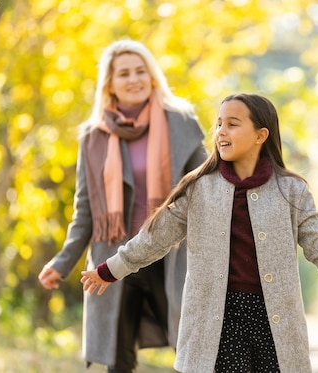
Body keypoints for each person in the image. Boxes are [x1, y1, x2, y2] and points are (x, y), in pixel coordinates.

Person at [80, 93, 318, 373]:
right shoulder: (199, 188)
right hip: (216, 324)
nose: (221, 132)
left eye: (233, 124)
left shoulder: (291, 191)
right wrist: (110, 270)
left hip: (275, 323)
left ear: (260, 135)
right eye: (219, 124)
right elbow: (154, 237)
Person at [37, 39, 207, 372]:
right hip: (112, 262)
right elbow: (84, 211)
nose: (134, 79)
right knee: (118, 360)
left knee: (193, 350)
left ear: (153, 76)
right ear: (110, 84)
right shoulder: (93, 137)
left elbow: (207, 189)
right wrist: (63, 261)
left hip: (171, 255)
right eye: (124, 73)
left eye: (141, 71)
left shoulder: (182, 123)